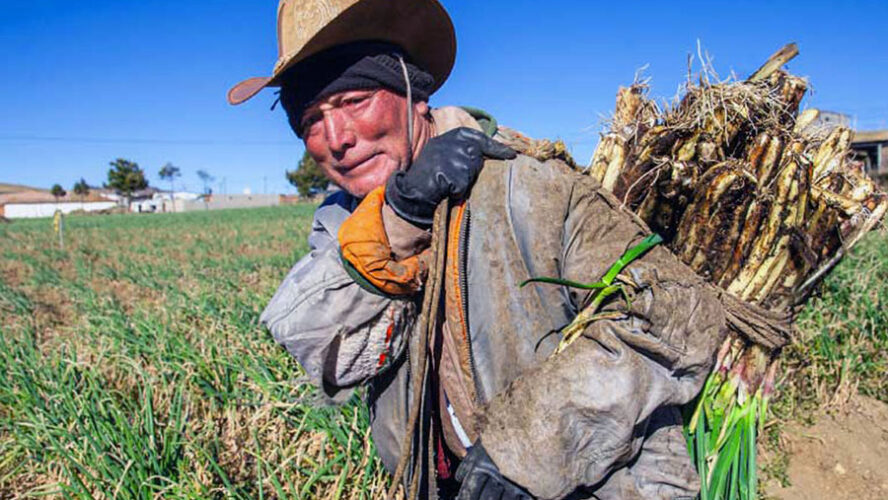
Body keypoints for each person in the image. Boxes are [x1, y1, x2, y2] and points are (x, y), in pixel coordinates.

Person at [229, 1, 727, 498]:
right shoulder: (345, 221)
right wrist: (400, 218)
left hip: (593, 484)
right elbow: (323, 353)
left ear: (414, 94)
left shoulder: (527, 181)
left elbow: (673, 313)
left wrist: (526, 452)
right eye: (311, 119)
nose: (336, 139)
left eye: (355, 101)